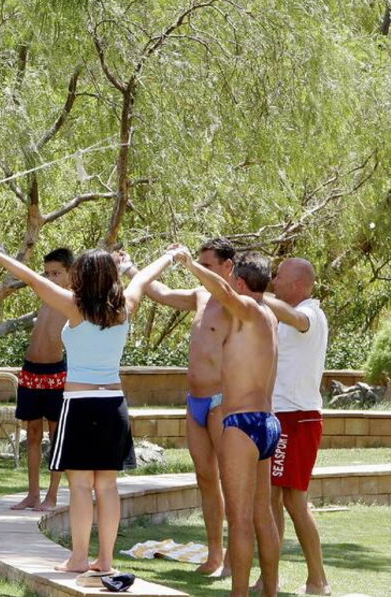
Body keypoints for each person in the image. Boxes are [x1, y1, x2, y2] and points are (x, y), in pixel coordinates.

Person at [0, 243, 176, 579]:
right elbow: (144, 278)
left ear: (83, 277)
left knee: (80, 486)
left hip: (80, 405)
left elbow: (32, 279)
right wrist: (171, 255)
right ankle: (105, 560)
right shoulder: (125, 306)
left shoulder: (74, 307)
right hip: (114, 404)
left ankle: (78, 558)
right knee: (108, 487)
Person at [171, 246, 281, 597]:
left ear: (241, 282)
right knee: (262, 514)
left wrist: (190, 264)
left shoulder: (249, 309)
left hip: (241, 423)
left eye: (233, 280)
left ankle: (239, 594)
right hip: (266, 423)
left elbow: (223, 292)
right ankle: (270, 591)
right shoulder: (270, 316)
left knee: (241, 518)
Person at [121, 238, 235, 575]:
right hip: (195, 401)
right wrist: (130, 269)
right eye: (200, 263)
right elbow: (162, 293)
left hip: (221, 402)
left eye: (208, 265)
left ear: (228, 266)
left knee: (232, 481)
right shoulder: (200, 296)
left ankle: (235, 558)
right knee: (205, 478)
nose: (201, 270)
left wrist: (189, 264)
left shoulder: (237, 301)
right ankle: (214, 554)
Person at [264, 258, 330, 596]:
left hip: (299, 418)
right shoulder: (283, 316)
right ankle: (269, 579)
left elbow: (296, 319)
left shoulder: (310, 314)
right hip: (280, 416)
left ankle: (318, 580)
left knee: (293, 501)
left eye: (279, 277)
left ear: (298, 284)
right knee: (272, 498)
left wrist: (255, 296)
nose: (274, 281)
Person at [10, 248, 73, 512]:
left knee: (56, 435)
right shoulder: (46, 295)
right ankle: (32, 494)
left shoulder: (73, 299)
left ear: (71, 273)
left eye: (56, 273)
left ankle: (52, 495)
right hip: (31, 372)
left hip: (56, 373)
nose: (50, 278)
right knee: (33, 433)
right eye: (47, 274)